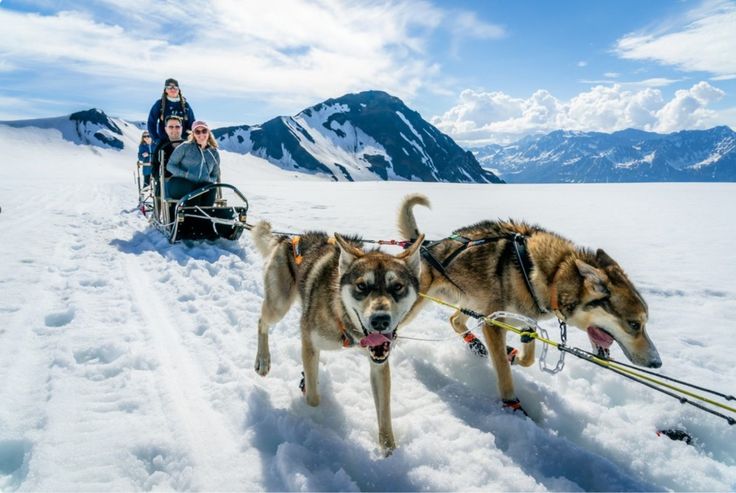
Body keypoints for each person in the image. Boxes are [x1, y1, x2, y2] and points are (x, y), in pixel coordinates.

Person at [166, 120, 220, 210]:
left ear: (209, 133)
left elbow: (215, 174)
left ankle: (206, 219)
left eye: (204, 131)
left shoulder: (213, 153)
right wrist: (185, 174)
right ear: (193, 134)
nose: (201, 134)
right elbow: (170, 165)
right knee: (195, 191)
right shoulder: (185, 147)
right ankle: (191, 219)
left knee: (211, 190)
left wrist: (208, 180)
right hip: (179, 183)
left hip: (200, 186)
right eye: (197, 132)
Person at [147, 78, 195, 145]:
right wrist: (156, 139)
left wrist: (190, 140)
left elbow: (192, 124)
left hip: (183, 143)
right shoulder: (160, 104)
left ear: (178, 90)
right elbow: (151, 123)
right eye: (169, 87)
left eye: (175, 87)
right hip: (165, 143)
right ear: (165, 90)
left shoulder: (185, 105)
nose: (173, 89)